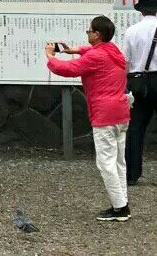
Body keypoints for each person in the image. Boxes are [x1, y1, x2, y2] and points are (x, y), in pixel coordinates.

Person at [45, 16, 131, 222]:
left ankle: (120, 209)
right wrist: (73, 50)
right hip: (121, 112)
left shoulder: (96, 57)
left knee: (105, 163)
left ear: (97, 34)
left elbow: (66, 69)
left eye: (89, 31)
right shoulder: (113, 50)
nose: (87, 33)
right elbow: (92, 52)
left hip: (104, 115)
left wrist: (50, 56)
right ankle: (122, 203)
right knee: (119, 161)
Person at [123, 0, 157, 186]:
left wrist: (125, 86)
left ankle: (132, 174)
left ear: (141, 10)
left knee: (135, 128)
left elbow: (126, 62)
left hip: (139, 82)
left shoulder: (132, 31)